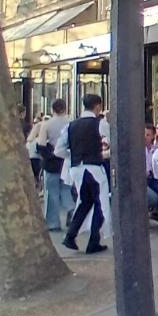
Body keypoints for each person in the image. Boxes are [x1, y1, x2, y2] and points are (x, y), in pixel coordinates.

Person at [59, 94, 112, 254]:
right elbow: (110, 144)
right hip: (94, 167)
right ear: (97, 106)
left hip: (76, 168)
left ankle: (70, 236)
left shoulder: (70, 126)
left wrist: (75, 155)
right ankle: (93, 241)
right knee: (100, 203)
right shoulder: (100, 124)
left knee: (85, 202)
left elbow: (59, 150)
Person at [37, 99, 73, 231]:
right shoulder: (70, 123)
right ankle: (71, 208)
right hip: (66, 160)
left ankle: (53, 222)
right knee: (66, 189)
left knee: (51, 192)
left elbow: (41, 144)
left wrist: (49, 155)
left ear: (52, 109)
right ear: (65, 108)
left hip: (51, 162)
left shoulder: (46, 125)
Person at [144, 123, 158, 218]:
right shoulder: (136, 149)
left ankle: (157, 213)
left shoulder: (157, 150)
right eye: (143, 134)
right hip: (142, 179)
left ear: (152, 136)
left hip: (153, 178)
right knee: (154, 197)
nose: (144, 137)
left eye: (148, 135)